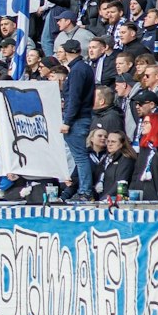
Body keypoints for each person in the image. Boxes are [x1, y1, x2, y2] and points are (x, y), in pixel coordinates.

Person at [60, 38, 94, 197]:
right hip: (82, 117)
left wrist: (67, 121)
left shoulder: (77, 70)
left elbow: (74, 98)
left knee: (80, 158)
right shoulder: (83, 68)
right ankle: (82, 189)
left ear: (70, 52)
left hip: (77, 120)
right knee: (80, 157)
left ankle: (85, 191)